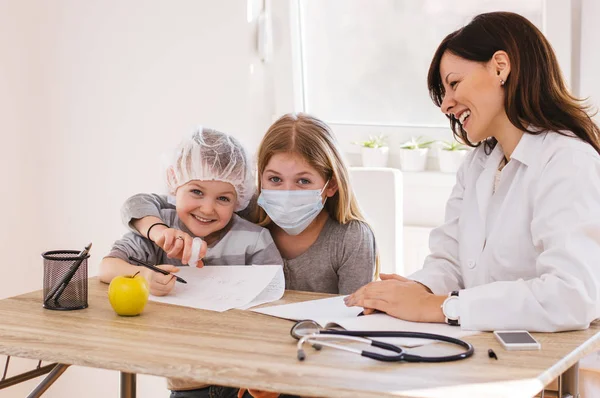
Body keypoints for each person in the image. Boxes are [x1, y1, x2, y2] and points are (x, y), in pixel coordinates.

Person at [345, 11, 600, 334]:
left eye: (454, 83)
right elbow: (450, 261)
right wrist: (413, 292)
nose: (446, 105)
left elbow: (571, 296)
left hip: (551, 368)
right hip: (485, 352)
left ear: (500, 67)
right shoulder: (480, 164)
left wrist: (436, 306)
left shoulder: (568, 161)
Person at [121, 113, 378, 398]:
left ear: (330, 185)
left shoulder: (350, 237)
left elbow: (349, 330)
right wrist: (156, 229)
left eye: (303, 181)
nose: (287, 193)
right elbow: (142, 202)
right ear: (258, 180)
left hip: (308, 375)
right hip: (235, 369)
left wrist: (278, 378)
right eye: (275, 179)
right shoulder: (246, 211)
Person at [99, 127, 283, 398]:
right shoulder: (161, 231)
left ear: (240, 198)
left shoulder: (255, 240)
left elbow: (273, 301)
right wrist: (144, 276)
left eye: (223, 198)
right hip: (188, 381)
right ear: (175, 183)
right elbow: (107, 267)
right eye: (196, 191)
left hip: (244, 379)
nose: (207, 208)